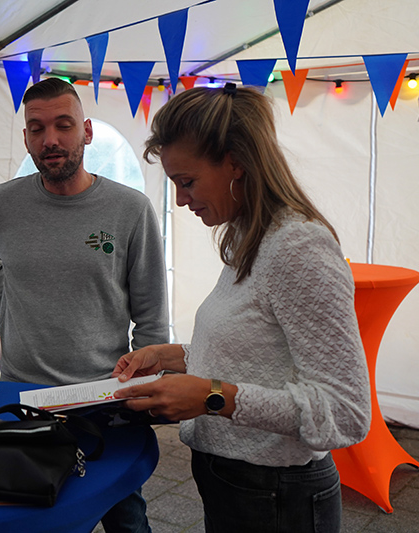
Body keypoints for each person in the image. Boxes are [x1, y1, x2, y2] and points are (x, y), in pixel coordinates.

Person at [113, 84, 371, 533]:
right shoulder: (251, 236)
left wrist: (212, 397)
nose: (179, 199)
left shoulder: (298, 247)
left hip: (277, 496)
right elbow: (257, 353)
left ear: (236, 162)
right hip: (241, 485)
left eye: (187, 181)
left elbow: (345, 412)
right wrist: (171, 357)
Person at [0, 78, 168, 533]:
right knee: (31, 517)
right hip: (22, 399)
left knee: (126, 519)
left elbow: (152, 314)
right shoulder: (0, 204)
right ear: (25, 139)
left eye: (63, 125)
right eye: (36, 129)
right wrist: (12, 309)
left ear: (87, 132)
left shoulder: (129, 209)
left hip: (105, 400)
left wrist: (146, 387)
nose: (50, 139)